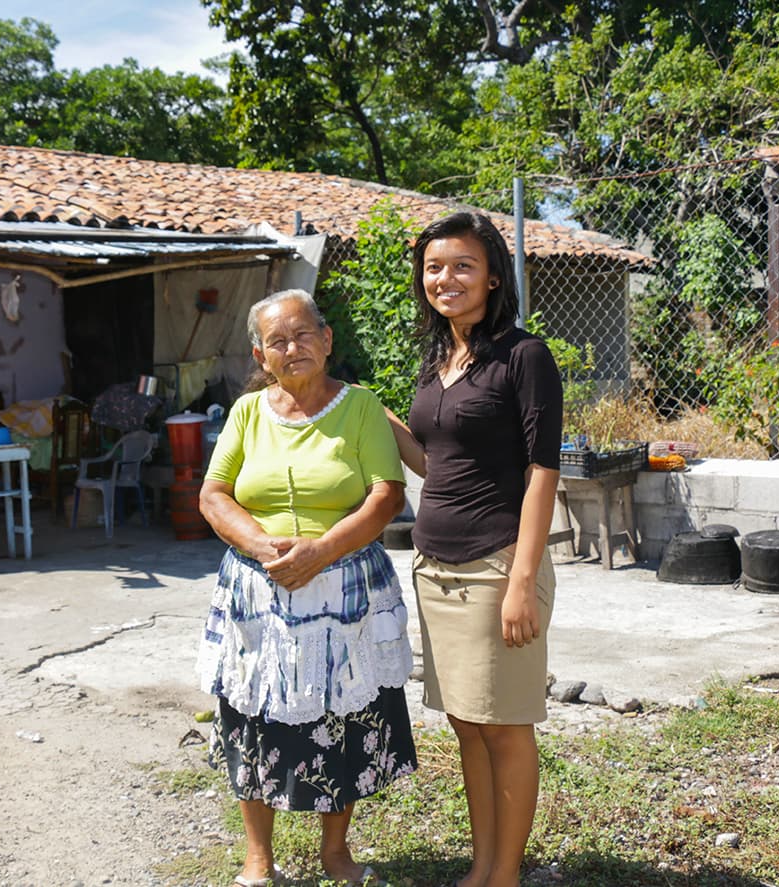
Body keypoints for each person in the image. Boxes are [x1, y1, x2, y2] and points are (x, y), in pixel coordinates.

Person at [196, 289, 417, 887]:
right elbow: (214, 496)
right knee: (251, 713)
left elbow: (386, 495)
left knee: (341, 717)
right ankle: (257, 856)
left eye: (303, 334)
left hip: (342, 584)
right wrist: (264, 547)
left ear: (327, 340)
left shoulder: (362, 406)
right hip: (259, 586)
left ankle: (335, 851)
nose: (292, 347)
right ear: (260, 355)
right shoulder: (246, 413)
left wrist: (320, 551)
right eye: (277, 340)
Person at [386, 211, 562, 887]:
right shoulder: (439, 362)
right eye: (434, 266)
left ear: (492, 276)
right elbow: (436, 462)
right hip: (435, 567)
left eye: (462, 265)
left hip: (496, 564)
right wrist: (374, 412)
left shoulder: (524, 356)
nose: (446, 278)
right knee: (468, 724)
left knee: (506, 726)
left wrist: (522, 578)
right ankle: (483, 865)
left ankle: (505, 875)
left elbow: (542, 470)